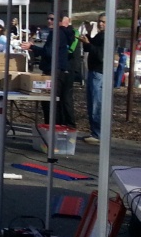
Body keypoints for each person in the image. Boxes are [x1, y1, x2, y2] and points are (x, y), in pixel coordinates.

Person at [21, 14, 75, 127]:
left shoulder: (57, 33)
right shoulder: (60, 33)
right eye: (48, 19)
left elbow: (49, 52)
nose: (49, 21)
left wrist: (32, 47)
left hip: (54, 72)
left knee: (49, 102)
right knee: (55, 102)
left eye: (53, 19)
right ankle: (56, 127)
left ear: (60, 22)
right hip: (57, 70)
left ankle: (52, 129)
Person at [80, 15, 107, 144]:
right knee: (92, 103)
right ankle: (94, 132)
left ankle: (98, 134)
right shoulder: (100, 35)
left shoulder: (107, 37)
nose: (101, 24)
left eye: (103, 22)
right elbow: (89, 48)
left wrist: (88, 44)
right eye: (99, 21)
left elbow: (100, 55)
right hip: (93, 71)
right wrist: (89, 35)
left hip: (99, 73)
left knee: (96, 104)